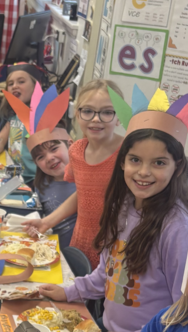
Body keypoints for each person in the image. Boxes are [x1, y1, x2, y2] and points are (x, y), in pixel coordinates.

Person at [39, 87, 188, 332]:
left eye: (158, 162)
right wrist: (71, 291)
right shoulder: (124, 206)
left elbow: (183, 309)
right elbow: (108, 272)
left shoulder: (176, 229)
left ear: (178, 167)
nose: (143, 172)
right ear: (123, 162)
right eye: (135, 160)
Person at [24, 79, 124, 268]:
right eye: (87, 111)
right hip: (81, 242)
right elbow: (83, 194)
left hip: (114, 247)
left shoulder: (128, 153)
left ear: (119, 117)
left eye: (107, 112)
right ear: (77, 115)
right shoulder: (77, 151)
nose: (96, 119)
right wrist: (47, 222)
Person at [0, 64, 43, 181]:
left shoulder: (41, 117)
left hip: (33, 180)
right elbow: (1, 139)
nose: (15, 86)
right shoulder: (14, 116)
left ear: (36, 86)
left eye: (21, 82)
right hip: (13, 175)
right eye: (10, 84)